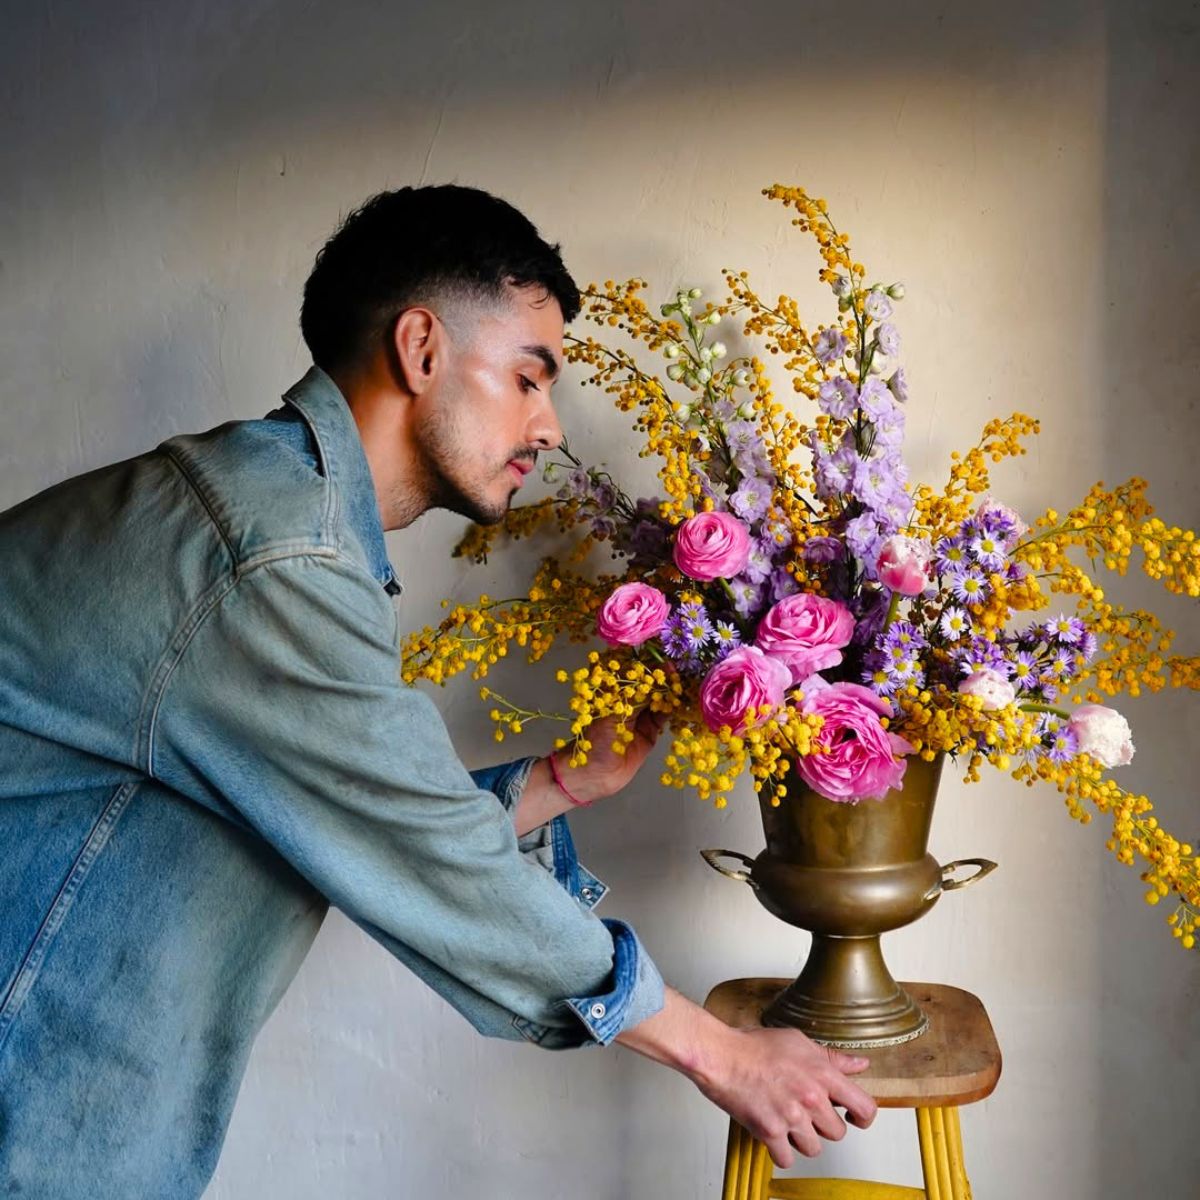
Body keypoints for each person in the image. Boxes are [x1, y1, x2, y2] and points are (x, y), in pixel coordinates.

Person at [0, 183, 876, 1196]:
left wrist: (555, 782)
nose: (548, 428)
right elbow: (428, 858)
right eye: (526, 377)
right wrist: (718, 1052)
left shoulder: (270, 519)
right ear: (421, 349)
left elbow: (356, 811)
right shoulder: (269, 558)